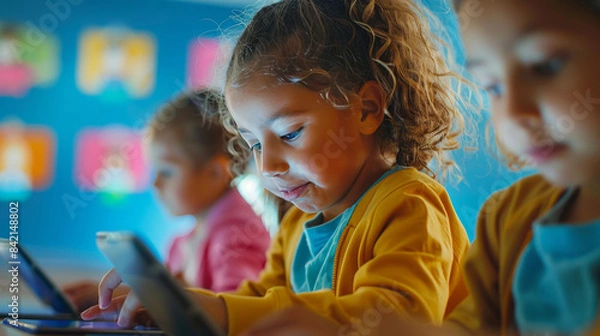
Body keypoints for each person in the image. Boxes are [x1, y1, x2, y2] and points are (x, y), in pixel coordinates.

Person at [81, 0, 476, 334]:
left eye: (289, 134)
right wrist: (178, 307)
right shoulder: (295, 226)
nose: (266, 165)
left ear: (367, 109)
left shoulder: (409, 205)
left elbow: (395, 317)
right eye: (253, 142)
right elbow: (257, 300)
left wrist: (220, 312)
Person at [239, 0, 600, 335]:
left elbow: (402, 309)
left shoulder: (409, 202)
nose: (515, 113)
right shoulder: (505, 220)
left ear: (367, 109)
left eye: (545, 65)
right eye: (493, 86)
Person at [64, 89, 271, 311]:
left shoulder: (235, 236)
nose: (156, 184)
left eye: (167, 172)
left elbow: (236, 311)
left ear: (215, 173)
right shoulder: (183, 242)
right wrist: (119, 296)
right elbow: (185, 297)